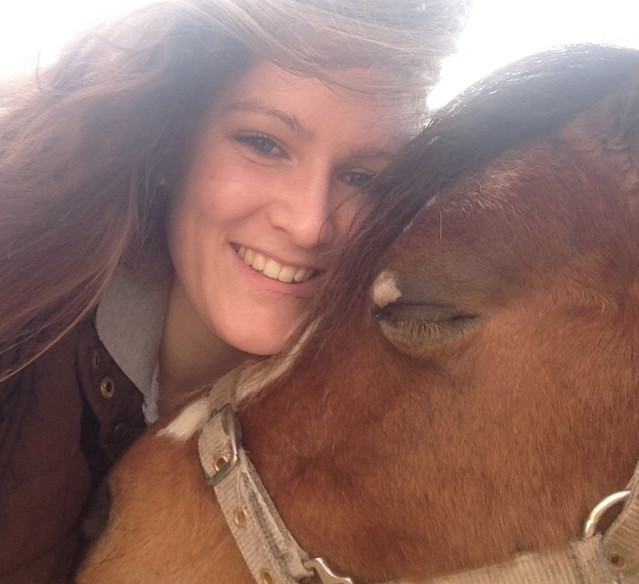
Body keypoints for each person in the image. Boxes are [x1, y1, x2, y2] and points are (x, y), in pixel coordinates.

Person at [0, 0, 468, 581]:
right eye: (264, 144)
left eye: (361, 178)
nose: (309, 223)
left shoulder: (405, 434)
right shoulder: (21, 333)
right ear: (170, 145)